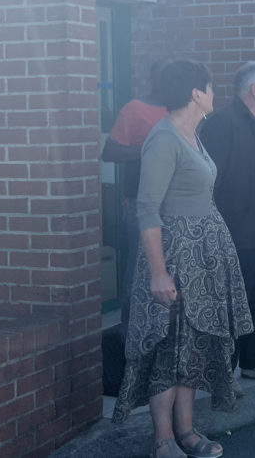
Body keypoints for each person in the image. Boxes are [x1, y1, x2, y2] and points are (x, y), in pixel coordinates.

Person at [113, 59, 253, 458]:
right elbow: (147, 208)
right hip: (175, 257)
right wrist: (159, 273)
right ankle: (163, 440)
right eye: (209, 88)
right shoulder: (163, 137)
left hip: (203, 259)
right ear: (195, 92)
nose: (214, 94)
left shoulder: (193, 133)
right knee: (167, 346)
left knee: (191, 345)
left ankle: (187, 432)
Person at [199, 61, 255, 384]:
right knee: (231, 304)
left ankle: (252, 361)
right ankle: (222, 373)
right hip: (236, 231)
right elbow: (210, 181)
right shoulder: (222, 123)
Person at [102, 59, 168, 335]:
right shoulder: (135, 109)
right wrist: (146, 150)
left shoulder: (180, 110)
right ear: (154, 79)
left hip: (177, 207)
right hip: (141, 206)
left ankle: (162, 339)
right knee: (140, 277)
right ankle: (131, 342)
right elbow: (109, 152)